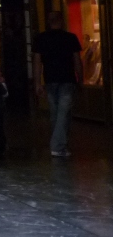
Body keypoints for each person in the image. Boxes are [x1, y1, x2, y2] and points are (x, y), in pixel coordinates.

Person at [33, 10, 84, 157]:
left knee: (55, 114)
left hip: (50, 80)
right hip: (67, 79)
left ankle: (60, 145)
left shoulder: (41, 38)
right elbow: (77, 61)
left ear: (49, 21)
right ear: (62, 21)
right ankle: (58, 146)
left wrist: (37, 83)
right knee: (63, 113)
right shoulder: (70, 38)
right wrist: (81, 79)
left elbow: (37, 63)